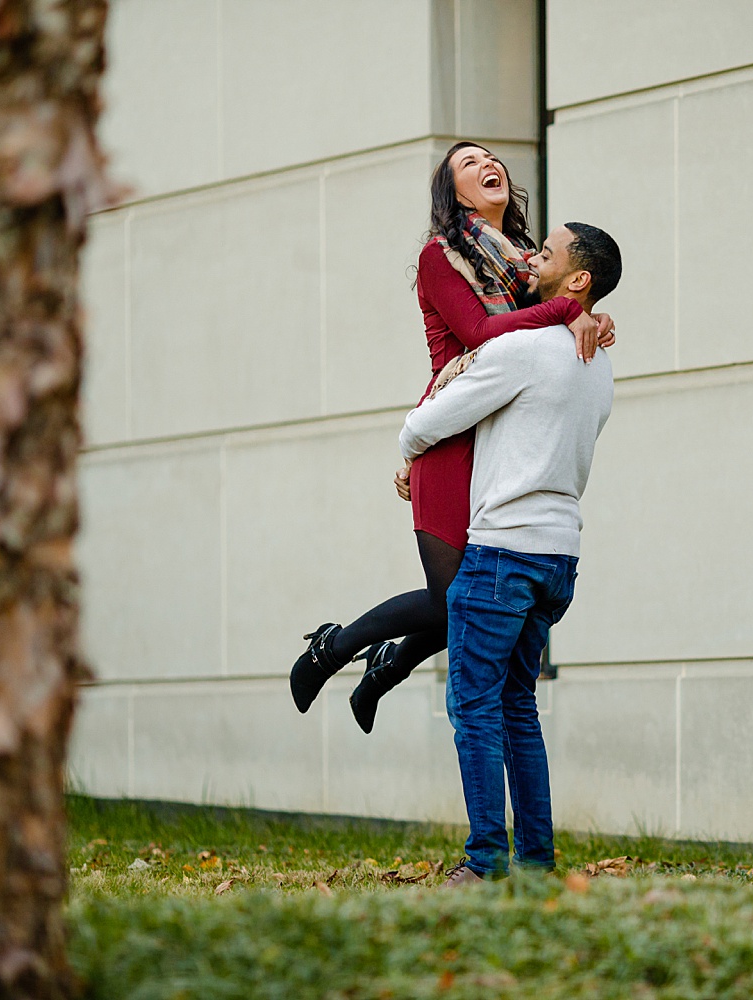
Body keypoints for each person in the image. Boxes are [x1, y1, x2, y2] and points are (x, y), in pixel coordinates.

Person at [288, 142, 614, 731]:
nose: (487, 163)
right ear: (453, 191)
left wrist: (588, 311)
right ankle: (334, 650)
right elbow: (480, 332)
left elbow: (554, 315)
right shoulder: (443, 257)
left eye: (491, 157)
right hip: (449, 438)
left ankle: (386, 662)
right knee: (451, 601)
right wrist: (568, 312)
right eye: (467, 163)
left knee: (471, 598)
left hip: (495, 439)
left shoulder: (523, 265)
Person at [395, 221, 620, 885]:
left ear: (577, 279)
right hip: (559, 556)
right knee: (518, 705)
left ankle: (486, 861)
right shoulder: (599, 359)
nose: (531, 258)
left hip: (502, 554)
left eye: (546, 253)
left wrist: (409, 452)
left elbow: (426, 421)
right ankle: (537, 861)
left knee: (474, 706)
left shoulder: (522, 348)